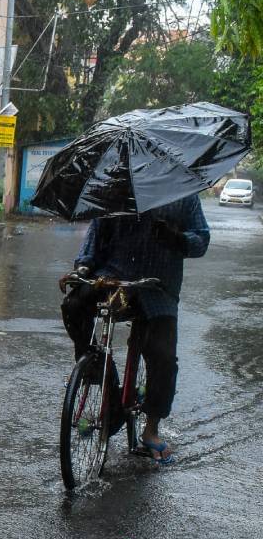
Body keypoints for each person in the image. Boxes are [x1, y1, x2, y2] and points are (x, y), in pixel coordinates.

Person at [59, 193, 210, 465]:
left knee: (162, 355)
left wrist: (176, 238)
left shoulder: (183, 195)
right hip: (112, 277)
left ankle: (150, 430)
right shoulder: (116, 191)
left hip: (158, 287)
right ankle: (103, 379)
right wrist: (82, 267)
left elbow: (201, 240)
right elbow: (94, 240)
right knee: (73, 305)